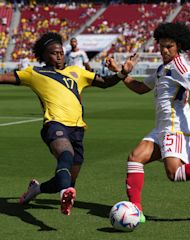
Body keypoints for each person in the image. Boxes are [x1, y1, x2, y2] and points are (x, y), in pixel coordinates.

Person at [109, 22, 190, 223]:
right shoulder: (163, 68)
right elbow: (141, 88)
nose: (164, 50)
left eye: (168, 46)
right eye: (161, 46)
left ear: (178, 45)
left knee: (174, 172)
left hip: (176, 127)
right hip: (161, 128)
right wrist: (121, 72)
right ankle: (137, 211)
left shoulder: (180, 65)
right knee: (135, 158)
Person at [0, 32, 135, 215]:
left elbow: (105, 83)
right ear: (45, 56)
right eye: (54, 53)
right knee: (66, 154)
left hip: (78, 129)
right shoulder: (35, 73)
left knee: (66, 178)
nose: (59, 56)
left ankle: (37, 190)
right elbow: (4, 78)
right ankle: (65, 194)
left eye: (61, 52)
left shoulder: (77, 72)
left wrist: (122, 72)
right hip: (54, 125)